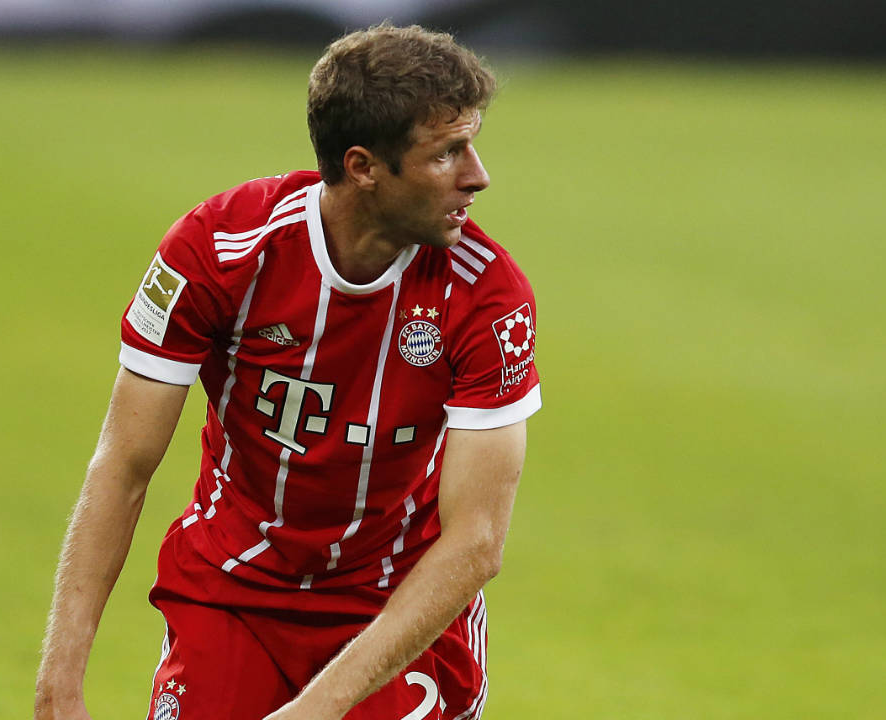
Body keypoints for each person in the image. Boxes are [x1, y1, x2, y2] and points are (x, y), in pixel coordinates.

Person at [34, 23, 540, 720]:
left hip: (398, 607)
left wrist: (316, 709)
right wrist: (60, 682)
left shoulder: (488, 297)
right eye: (447, 153)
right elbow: (124, 463)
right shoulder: (218, 249)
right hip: (233, 593)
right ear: (363, 166)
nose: (478, 174)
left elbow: (477, 541)